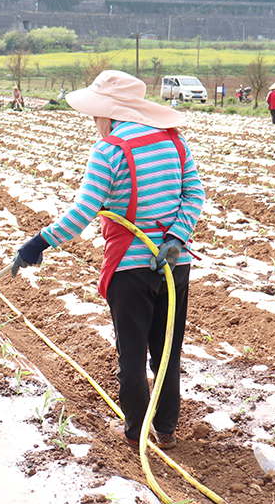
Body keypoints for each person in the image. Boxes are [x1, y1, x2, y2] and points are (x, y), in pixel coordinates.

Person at [11, 70, 204, 451]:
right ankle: (165, 429)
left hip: (130, 269)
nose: (95, 123)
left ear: (111, 113)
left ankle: (135, 433)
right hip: (174, 265)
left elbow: (85, 210)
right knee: (168, 350)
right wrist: (176, 238)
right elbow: (194, 195)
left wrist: (39, 242)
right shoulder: (175, 142)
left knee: (131, 354)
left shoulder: (110, 150)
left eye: (96, 115)